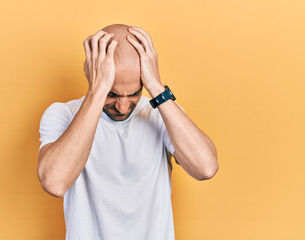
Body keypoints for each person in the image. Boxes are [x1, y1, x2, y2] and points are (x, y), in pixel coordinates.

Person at [37, 23, 218, 240]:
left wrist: (156, 87)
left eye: (133, 93)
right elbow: (55, 183)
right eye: (112, 94)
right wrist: (96, 92)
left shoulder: (160, 112)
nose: (122, 107)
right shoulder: (62, 114)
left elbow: (206, 168)